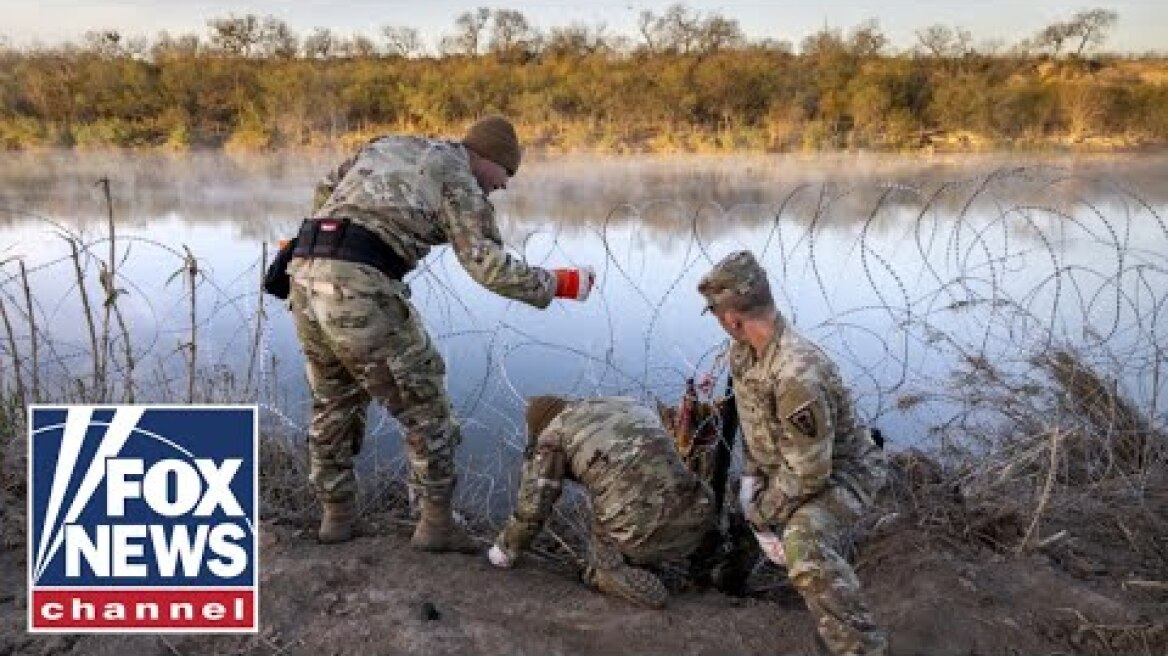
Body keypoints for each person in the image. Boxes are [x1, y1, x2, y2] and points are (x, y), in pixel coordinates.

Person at [287, 116, 596, 551]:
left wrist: (316, 250)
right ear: (487, 157)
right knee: (426, 409)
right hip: (359, 288)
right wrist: (560, 283)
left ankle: (336, 517)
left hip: (303, 277)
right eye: (506, 173)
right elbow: (487, 265)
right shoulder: (457, 175)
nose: (503, 185)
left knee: (332, 403)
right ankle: (436, 525)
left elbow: (326, 188)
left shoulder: (389, 144)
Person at [698, 250, 889, 656]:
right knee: (743, 506)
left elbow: (810, 474)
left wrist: (763, 511)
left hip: (842, 472)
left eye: (715, 314)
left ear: (732, 319)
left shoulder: (796, 374)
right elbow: (755, 428)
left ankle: (861, 646)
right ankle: (730, 586)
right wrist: (751, 482)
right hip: (790, 465)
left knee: (804, 544)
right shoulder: (744, 353)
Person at [488, 396, 715, 608]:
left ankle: (612, 576)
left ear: (540, 427)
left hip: (645, 533)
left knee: (602, 544)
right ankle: (699, 559)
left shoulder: (553, 434)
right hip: (698, 518)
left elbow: (533, 506)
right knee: (628, 491)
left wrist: (506, 548)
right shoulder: (623, 404)